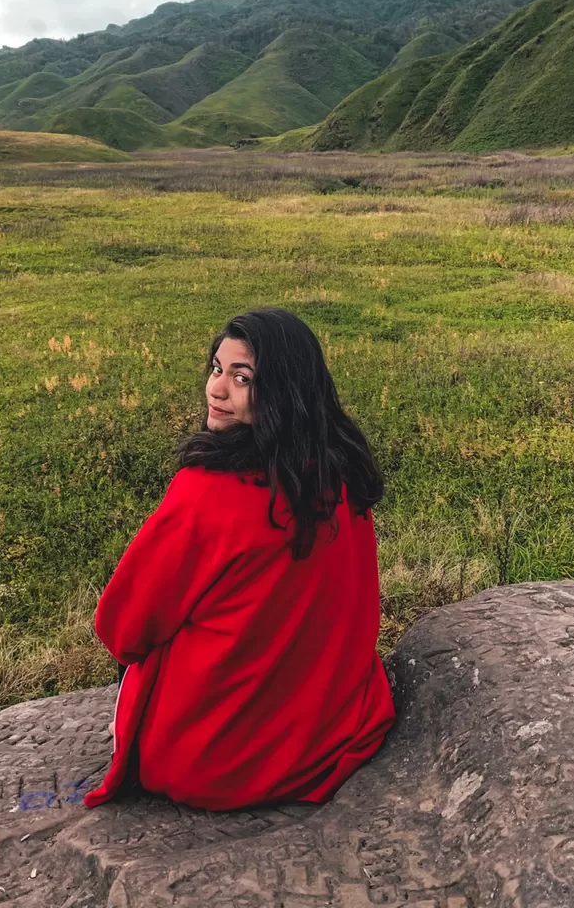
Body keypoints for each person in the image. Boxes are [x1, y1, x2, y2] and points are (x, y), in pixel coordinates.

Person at [82, 307, 396, 810]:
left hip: (210, 762)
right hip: (324, 736)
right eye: (216, 368)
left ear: (283, 390)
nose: (216, 389)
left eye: (242, 377)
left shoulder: (205, 495)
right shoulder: (340, 479)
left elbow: (121, 628)